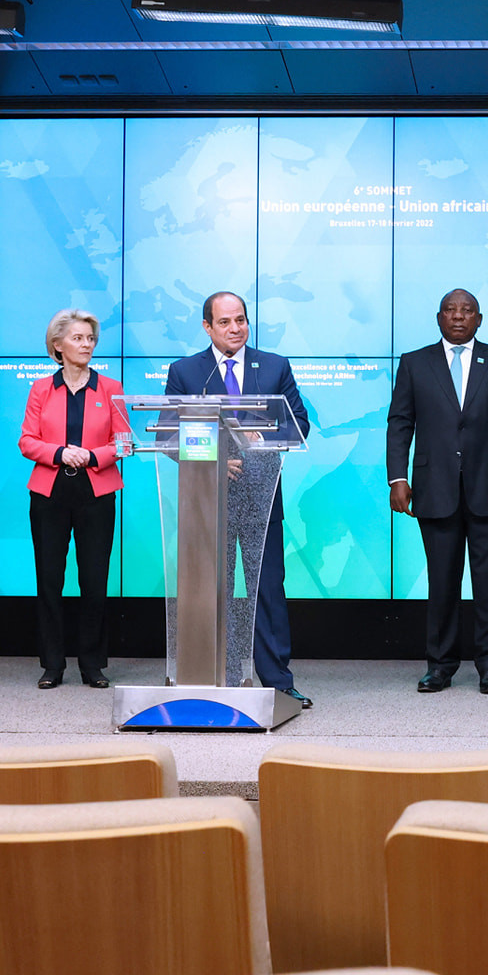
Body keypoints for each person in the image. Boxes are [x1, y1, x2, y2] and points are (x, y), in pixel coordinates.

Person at [165, 291, 314, 708]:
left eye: (241, 320)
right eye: (225, 322)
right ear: (207, 327)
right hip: (208, 503)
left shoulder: (274, 366)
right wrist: (212, 456)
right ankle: (224, 678)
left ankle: (277, 682)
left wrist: (261, 437)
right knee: (217, 591)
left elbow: (299, 422)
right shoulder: (186, 371)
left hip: (262, 500)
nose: (235, 329)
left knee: (267, 590)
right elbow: (168, 434)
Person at [387, 288, 488, 695]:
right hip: (435, 490)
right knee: (442, 581)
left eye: (466, 311)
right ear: (438, 317)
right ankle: (440, 664)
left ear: (479, 320)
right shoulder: (415, 364)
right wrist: (398, 478)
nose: (458, 316)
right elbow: (400, 422)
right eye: (450, 309)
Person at [18, 309, 131, 690]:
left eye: (90, 339)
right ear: (58, 346)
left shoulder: (111, 388)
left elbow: (125, 441)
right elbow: (27, 440)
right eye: (78, 338)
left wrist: (94, 456)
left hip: (96, 491)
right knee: (49, 579)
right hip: (50, 491)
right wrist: (60, 452)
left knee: (94, 579)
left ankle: (92, 664)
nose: (86, 345)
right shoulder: (40, 389)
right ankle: (52, 665)